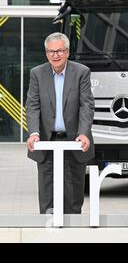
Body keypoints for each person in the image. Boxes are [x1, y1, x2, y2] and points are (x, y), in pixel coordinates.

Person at [25, 32, 95, 214]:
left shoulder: (81, 72)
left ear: (67, 52)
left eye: (59, 51)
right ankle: (48, 235)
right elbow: (32, 106)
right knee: (47, 198)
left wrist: (83, 133)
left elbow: (86, 105)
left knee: (73, 198)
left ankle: (72, 236)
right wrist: (33, 133)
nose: (55, 55)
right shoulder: (37, 74)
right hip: (46, 142)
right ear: (46, 53)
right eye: (51, 51)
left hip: (74, 142)